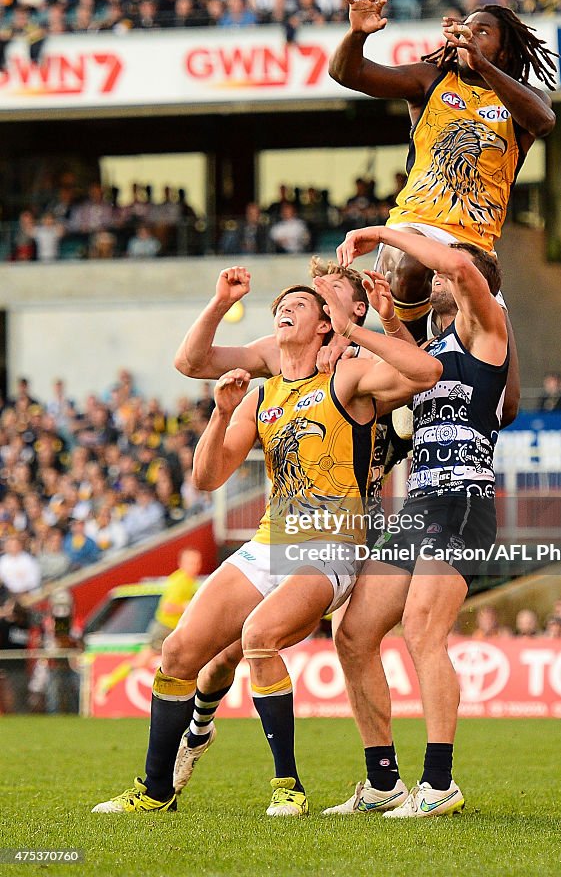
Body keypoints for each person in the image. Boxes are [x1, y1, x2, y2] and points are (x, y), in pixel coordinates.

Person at [92, 280, 441, 816]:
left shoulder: (346, 374)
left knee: (257, 636)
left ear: (325, 323)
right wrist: (220, 413)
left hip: (330, 548)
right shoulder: (262, 393)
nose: (283, 310)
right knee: (180, 653)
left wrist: (358, 331)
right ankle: (156, 791)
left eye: (298, 305)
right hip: (270, 545)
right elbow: (207, 479)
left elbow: (424, 372)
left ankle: (288, 787)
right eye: (280, 305)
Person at [324, 226, 508, 818]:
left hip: (463, 501)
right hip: (419, 505)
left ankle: (440, 783)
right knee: (352, 636)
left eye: (441, 274)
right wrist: (388, 322)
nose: (430, 278)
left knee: (423, 633)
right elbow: (419, 370)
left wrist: (378, 231)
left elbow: (455, 260)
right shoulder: (439, 338)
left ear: (468, 280)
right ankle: (383, 784)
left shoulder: (487, 326)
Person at [328, 0, 557, 334]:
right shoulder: (430, 78)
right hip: (415, 225)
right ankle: (415, 353)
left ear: (506, 53)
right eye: (467, 26)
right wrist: (356, 35)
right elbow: (347, 73)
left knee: (505, 388)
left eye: (482, 31)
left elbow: (543, 123)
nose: (470, 33)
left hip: (475, 248)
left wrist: (483, 67)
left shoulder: (526, 97)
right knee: (409, 267)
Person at [94, 548, 203, 703]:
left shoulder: (185, 580)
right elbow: (168, 607)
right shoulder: (181, 582)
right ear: (182, 563)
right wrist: (187, 606)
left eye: (198, 562)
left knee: (152, 660)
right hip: (166, 628)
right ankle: (109, 681)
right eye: (192, 562)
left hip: (172, 629)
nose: (196, 566)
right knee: (144, 661)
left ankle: (110, 680)